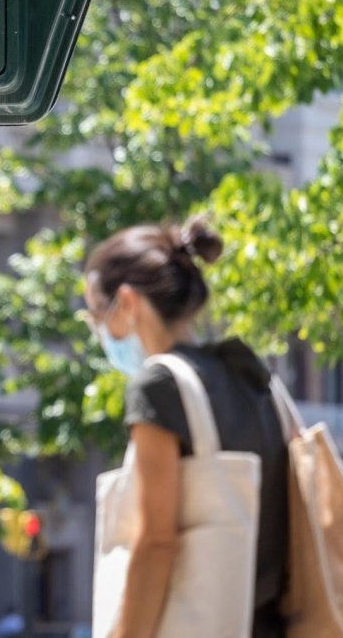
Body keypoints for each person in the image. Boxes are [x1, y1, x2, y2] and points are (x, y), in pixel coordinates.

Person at [82, 219, 289, 638]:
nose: (99, 334)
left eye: (95, 317)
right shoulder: (249, 375)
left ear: (126, 302)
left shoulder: (159, 386)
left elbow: (156, 542)